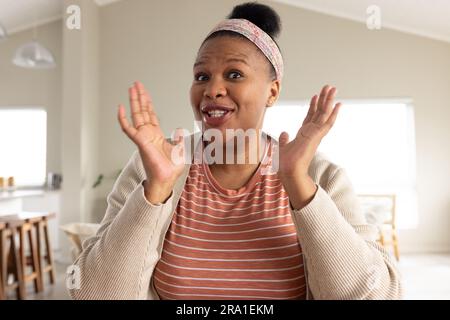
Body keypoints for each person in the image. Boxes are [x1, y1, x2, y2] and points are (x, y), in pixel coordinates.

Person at [68, 2, 402, 300]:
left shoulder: (319, 176)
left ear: (272, 92)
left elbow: (379, 295)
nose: (212, 89)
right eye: (201, 75)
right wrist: (155, 192)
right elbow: (91, 294)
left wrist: (301, 189)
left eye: (234, 74)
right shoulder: (153, 171)